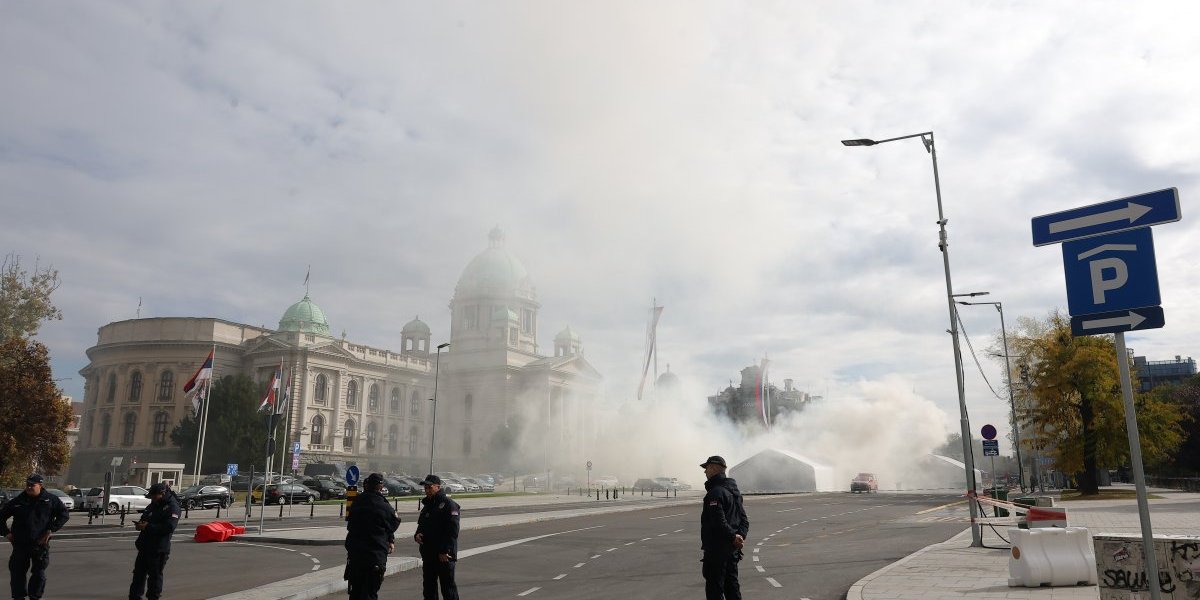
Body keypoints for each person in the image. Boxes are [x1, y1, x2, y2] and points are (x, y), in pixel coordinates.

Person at [0, 474, 69, 600]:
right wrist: (6, 533)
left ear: (40, 486)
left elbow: (64, 515)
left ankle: (34, 596)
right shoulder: (18, 501)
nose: (29, 487)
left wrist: (51, 530)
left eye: (32, 485)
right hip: (20, 544)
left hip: (40, 544)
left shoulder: (50, 500)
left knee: (39, 574)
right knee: (17, 573)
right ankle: (19, 597)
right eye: (27, 485)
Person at [344, 473, 401, 600]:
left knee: (355, 593)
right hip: (374, 556)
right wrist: (390, 539)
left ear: (367, 485)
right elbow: (393, 524)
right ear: (381, 487)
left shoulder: (356, 502)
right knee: (369, 593)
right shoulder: (383, 505)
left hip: (356, 556)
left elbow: (350, 525)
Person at [700, 456, 749, 600]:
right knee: (732, 588)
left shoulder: (715, 493)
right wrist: (739, 538)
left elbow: (718, 522)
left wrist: (734, 538)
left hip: (717, 552)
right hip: (732, 551)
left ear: (714, 468)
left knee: (715, 590)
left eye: (707, 468)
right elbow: (744, 521)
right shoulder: (734, 493)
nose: (705, 472)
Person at [129, 482, 180, 600]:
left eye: (154, 496)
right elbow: (145, 517)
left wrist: (148, 527)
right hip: (145, 546)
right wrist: (141, 524)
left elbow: (169, 527)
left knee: (154, 577)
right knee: (138, 575)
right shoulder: (154, 504)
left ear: (162, 493)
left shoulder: (172, 506)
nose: (152, 499)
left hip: (158, 548)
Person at [414, 475, 460, 600]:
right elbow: (421, 526)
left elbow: (452, 531)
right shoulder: (428, 506)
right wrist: (417, 535)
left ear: (438, 487)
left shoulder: (448, 505)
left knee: (448, 588)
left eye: (430, 487)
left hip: (444, 556)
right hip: (429, 554)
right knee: (429, 589)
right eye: (425, 488)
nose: (427, 490)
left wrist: (445, 551)